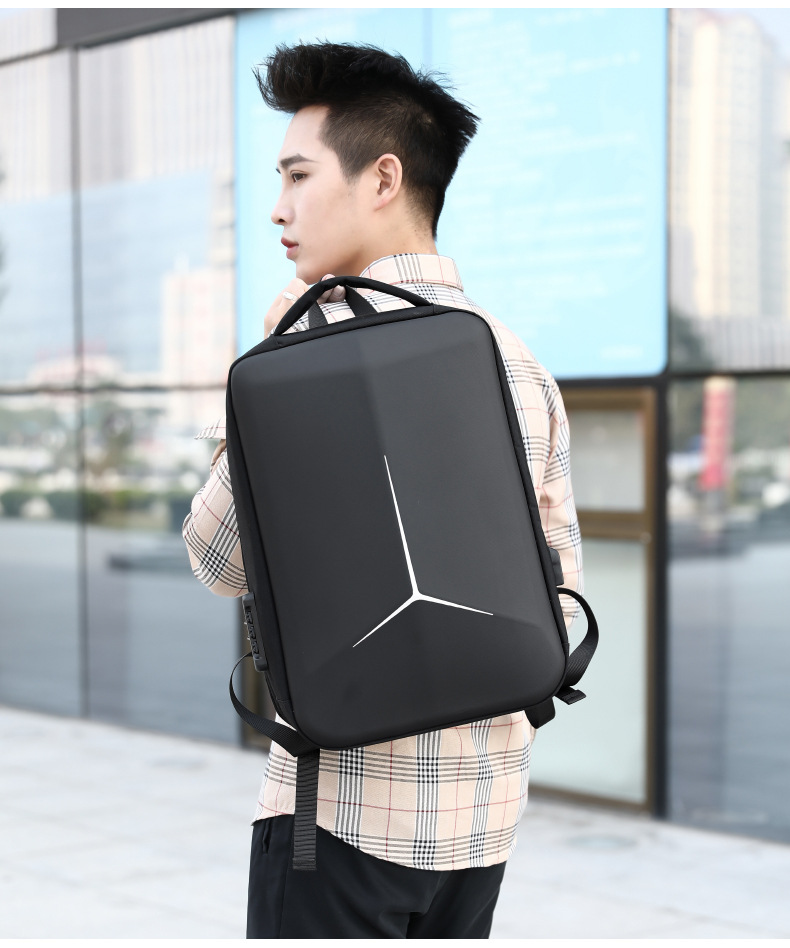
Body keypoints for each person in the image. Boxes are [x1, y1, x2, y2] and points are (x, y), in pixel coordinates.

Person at [182, 40, 583, 939]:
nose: (279, 208)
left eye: (297, 175)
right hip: (481, 828)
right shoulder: (517, 360)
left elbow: (216, 560)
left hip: (341, 821)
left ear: (383, 178)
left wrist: (255, 381)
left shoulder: (297, 361)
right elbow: (559, 588)